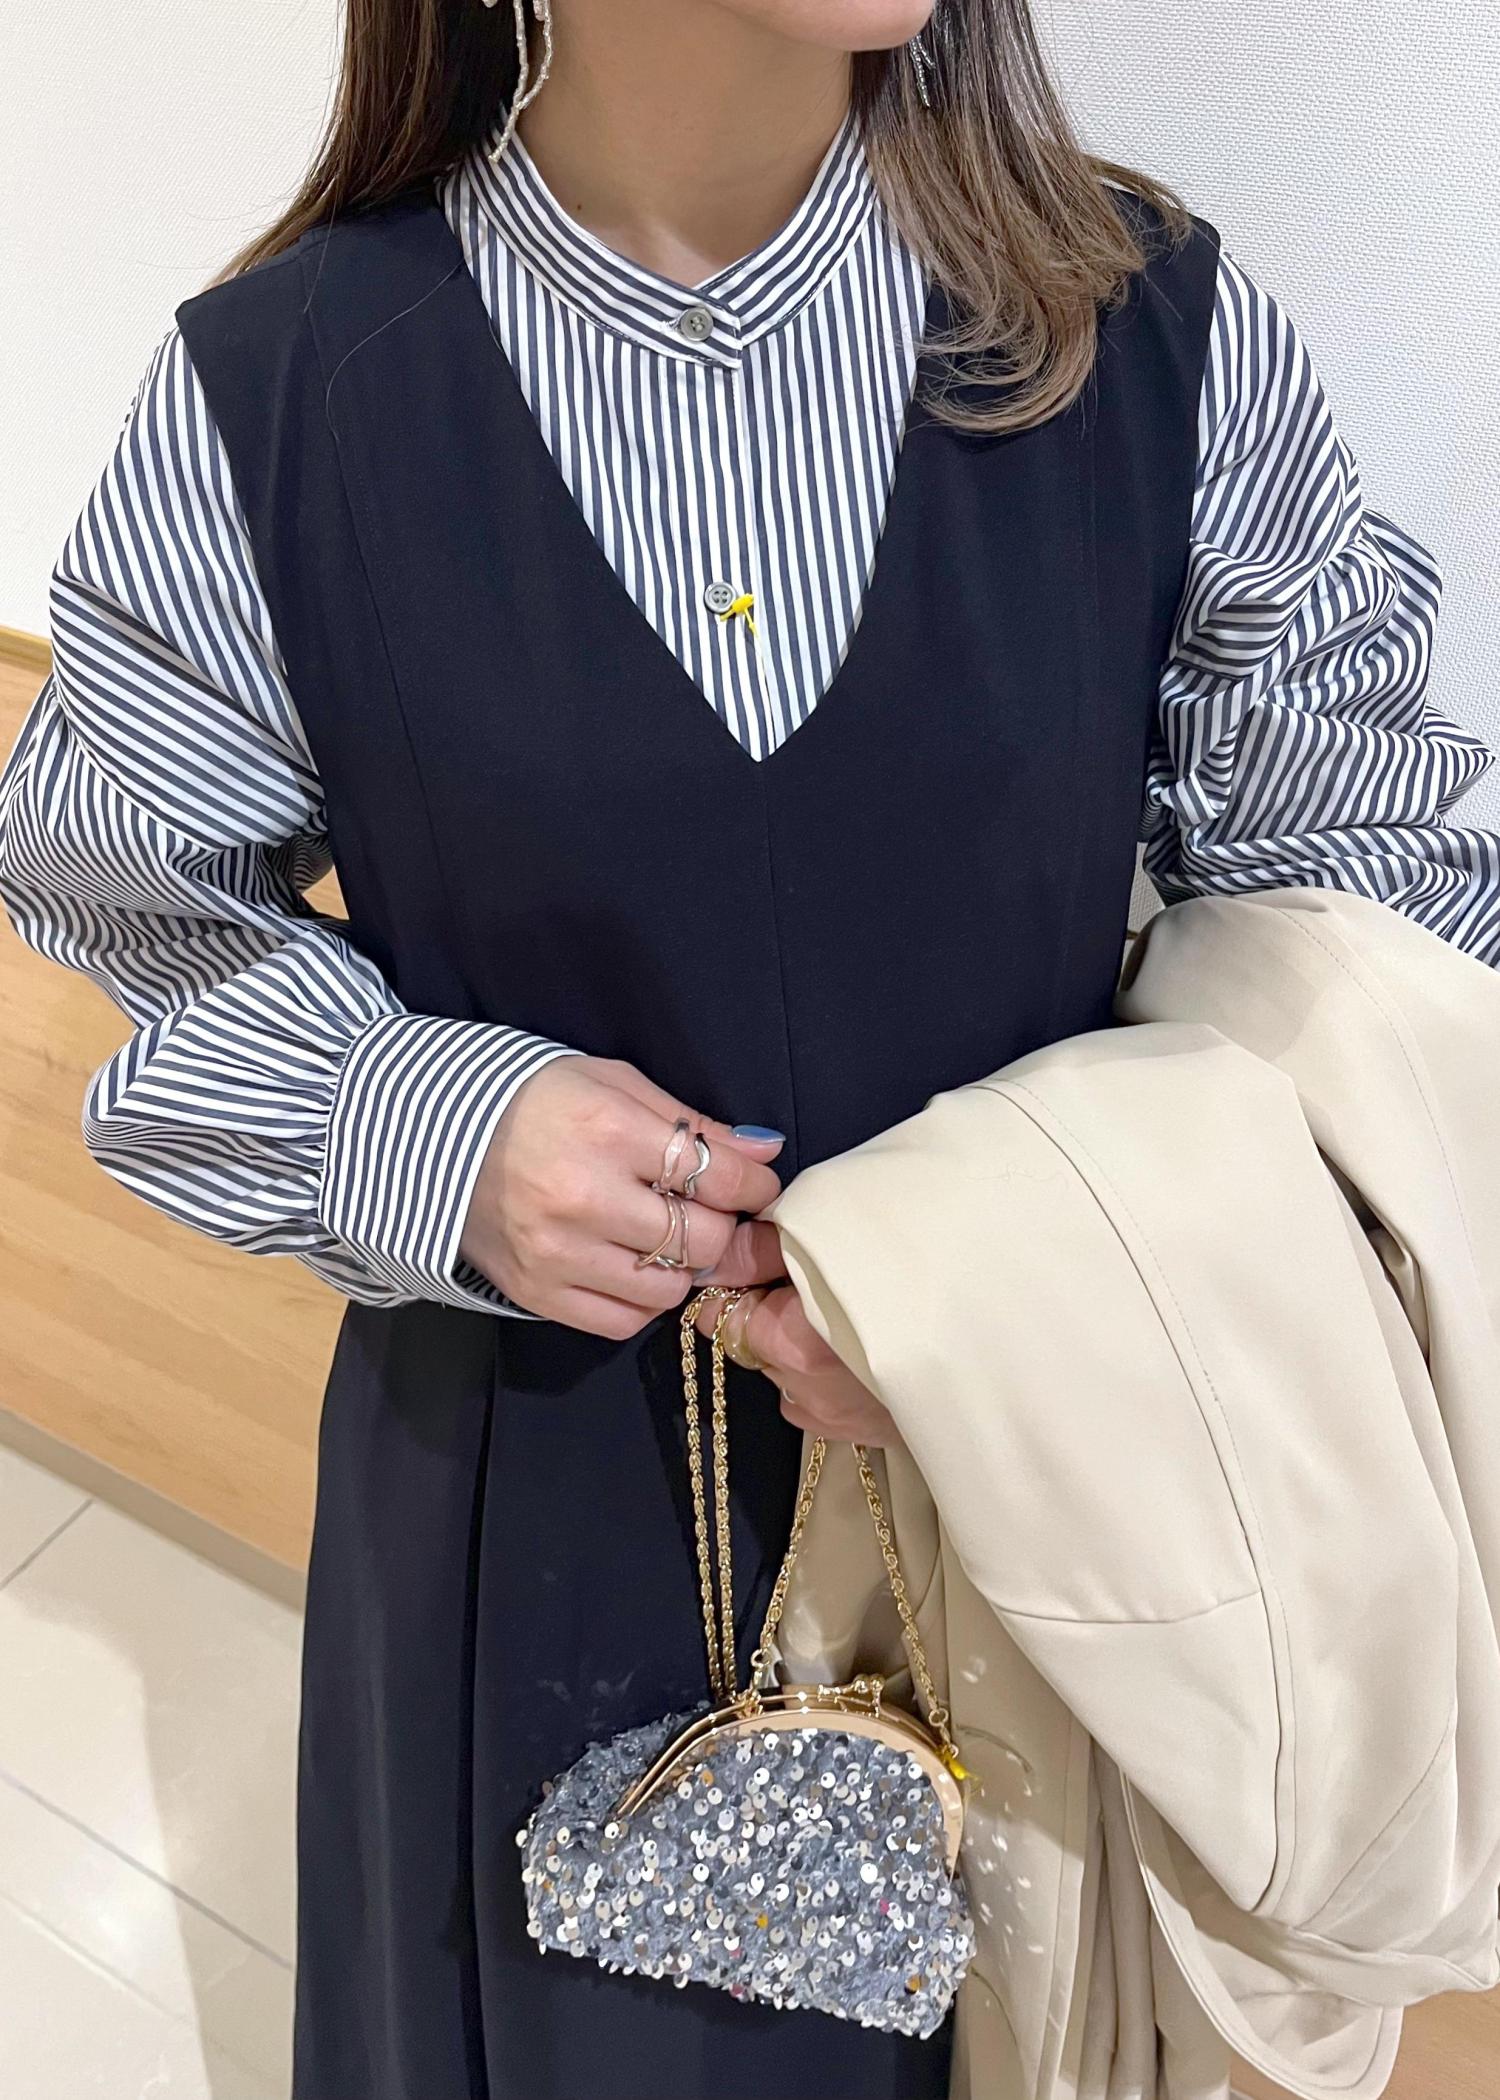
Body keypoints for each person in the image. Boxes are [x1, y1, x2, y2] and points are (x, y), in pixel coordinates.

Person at [2, 2, 1497, 2094]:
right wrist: (424, 1126)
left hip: (1077, 1514)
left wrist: (1026, 1290)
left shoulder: (1154, 334)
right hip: (533, 1514)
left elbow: (1371, 918)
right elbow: (132, 900)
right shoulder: (275, 397)